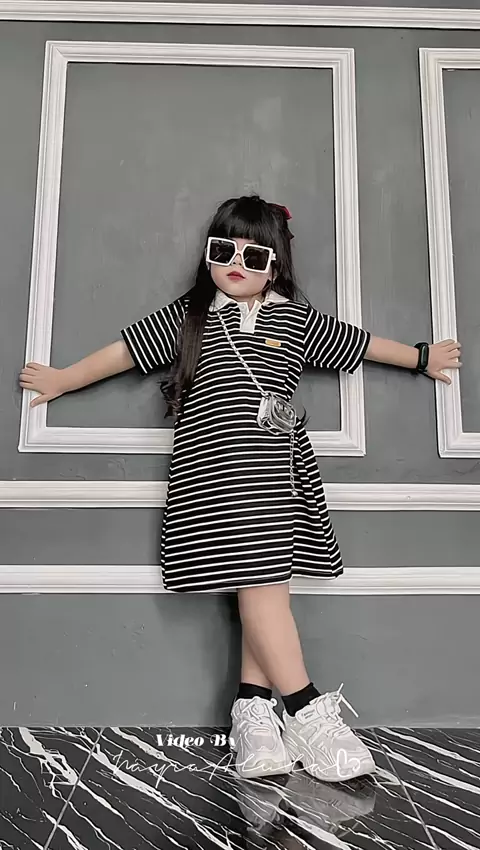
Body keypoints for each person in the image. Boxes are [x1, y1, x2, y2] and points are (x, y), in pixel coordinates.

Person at [19, 194, 461, 784]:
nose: (236, 263)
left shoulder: (295, 319)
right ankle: (305, 710)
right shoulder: (190, 316)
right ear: (209, 255)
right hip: (213, 475)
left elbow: (361, 343)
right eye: (223, 250)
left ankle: (254, 716)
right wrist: (63, 379)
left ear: (274, 266)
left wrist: (421, 357)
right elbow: (124, 352)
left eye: (254, 256)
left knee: (265, 583)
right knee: (262, 586)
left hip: (276, 472)